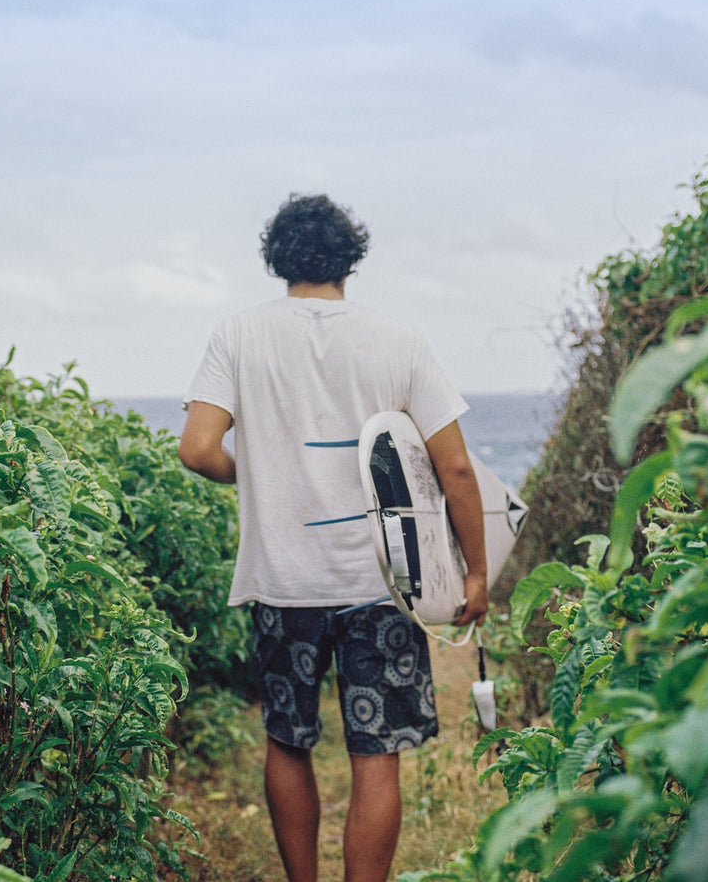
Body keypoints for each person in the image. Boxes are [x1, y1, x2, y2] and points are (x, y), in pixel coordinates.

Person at [179, 194, 487, 882]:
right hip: (382, 584)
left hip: (282, 579)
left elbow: (198, 449)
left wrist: (254, 475)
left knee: (288, 742)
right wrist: (474, 572)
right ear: (350, 257)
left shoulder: (238, 335)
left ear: (277, 258)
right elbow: (456, 466)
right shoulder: (397, 339)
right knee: (375, 755)